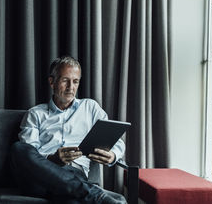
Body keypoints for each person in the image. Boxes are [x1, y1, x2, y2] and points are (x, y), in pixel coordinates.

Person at [10, 56, 127, 204]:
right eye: (65, 80)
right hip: (40, 178)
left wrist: (113, 155)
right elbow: (30, 155)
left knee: (71, 196)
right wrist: (53, 159)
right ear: (52, 82)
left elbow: (116, 140)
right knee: (19, 148)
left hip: (75, 174)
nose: (71, 87)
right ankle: (96, 196)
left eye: (75, 81)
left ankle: (86, 194)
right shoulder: (35, 113)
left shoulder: (90, 108)